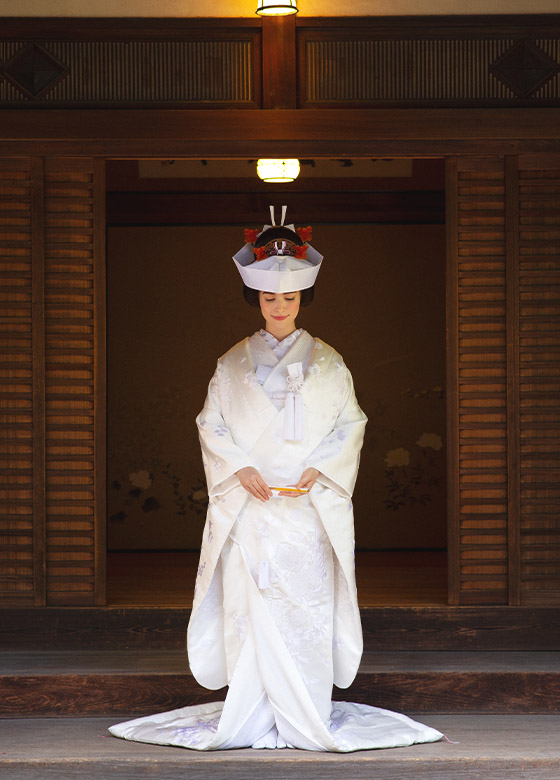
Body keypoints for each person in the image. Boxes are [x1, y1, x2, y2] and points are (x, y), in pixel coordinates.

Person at [108, 207, 443, 752]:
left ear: (302, 298)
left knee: (303, 605)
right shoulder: (231, 364)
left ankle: (305, 706)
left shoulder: (330, 363)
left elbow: (351, 423)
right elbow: (211, 424)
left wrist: (323, 467)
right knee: (251, 606)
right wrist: (239, 468)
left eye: (289, 298)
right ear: (256, 299)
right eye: (269, 298)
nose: (280, 307)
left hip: (307, 507)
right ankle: (252, 709)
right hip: (251, 506)